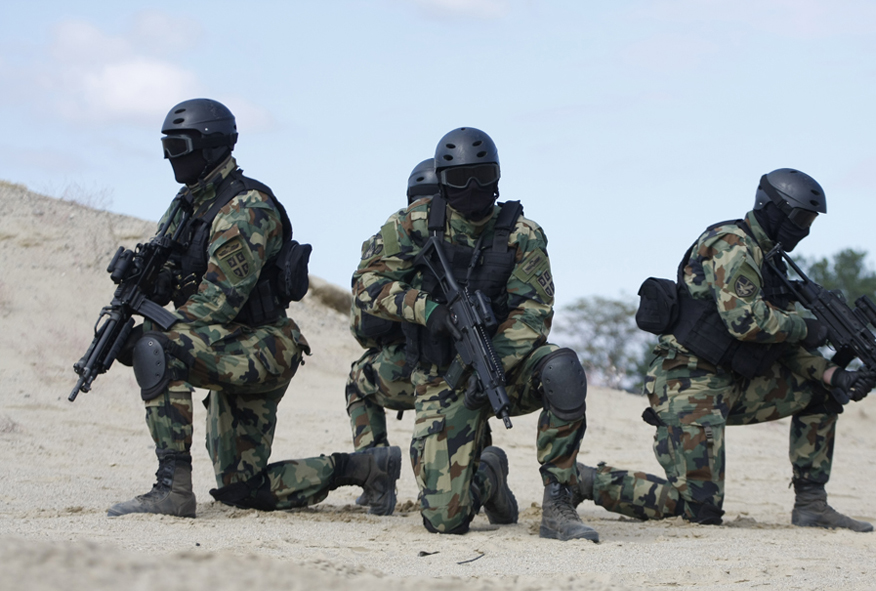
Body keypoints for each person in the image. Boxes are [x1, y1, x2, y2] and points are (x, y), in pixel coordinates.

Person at [108, 98, 400, 518]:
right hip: (227, 343)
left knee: (157, 348)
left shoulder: (245, 209)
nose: (171, 157)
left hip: (263, 344)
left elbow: (216, 303)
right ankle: (365, 467)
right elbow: (174, 271)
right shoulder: (186, 206)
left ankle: (172, 489)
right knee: (242, 490)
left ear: (210, 146)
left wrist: (147, 333)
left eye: (178, 146)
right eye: (166, 146)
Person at [572, 168, 876, 532]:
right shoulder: (732, 244)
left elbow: (784, 345)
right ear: (773, 208)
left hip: (734, 382)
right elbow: (745, 320)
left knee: (822, 394)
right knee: (699, 510)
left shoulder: (770, 261)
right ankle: (582, 481)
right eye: (800, 218)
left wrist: (833, 375)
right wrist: (808, 326)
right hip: (688, 382)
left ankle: (812, 505)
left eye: (810, 221)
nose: (804, 229)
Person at [353, 127, 598, 541]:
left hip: (504, 368)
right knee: (444, 520)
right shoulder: (412, 224)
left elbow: (534, 314)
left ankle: (559, 501)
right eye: (460, 179)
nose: (472, 189)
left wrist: (493, 362)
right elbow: (366, 285)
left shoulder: (522, 235)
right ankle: (489, 477)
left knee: (562, 369)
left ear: (497, 177)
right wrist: (428, 310)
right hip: (440, 375)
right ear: (442, 182)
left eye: (482, 177)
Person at [346, 159, 495, 506]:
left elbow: (362, 329)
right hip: (471, 370)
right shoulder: (484, 243)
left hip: (406, 369)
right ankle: (484, 476)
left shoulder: (392, 241)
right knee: (478, 387)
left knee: (358, 381)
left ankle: (376, 476)